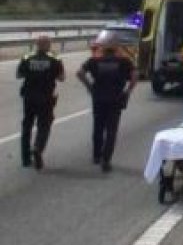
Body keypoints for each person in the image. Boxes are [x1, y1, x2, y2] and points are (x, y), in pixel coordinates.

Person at [76, 34, 137, 172]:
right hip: (116, 98)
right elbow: (134, 76)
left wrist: (89, 87)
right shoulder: (124, 61)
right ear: (116, 48)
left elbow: (79, 73)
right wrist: (128, 91)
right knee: (111, 130)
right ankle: (106, 159)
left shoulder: (95, 60)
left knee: (98, 126)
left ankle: (97, 155)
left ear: (103, 48)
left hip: (98, 97)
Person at [17, 35, 65, 170]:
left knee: (27, 125)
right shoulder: (55, 58)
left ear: (37, 45)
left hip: (29, 96)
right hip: (46, 97)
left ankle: (25, 159)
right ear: (48, 45)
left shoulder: (27, 57)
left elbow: (19, 75)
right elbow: (61, 78)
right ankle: (38, 147)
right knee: (44, 124)